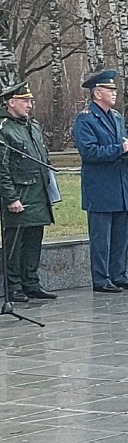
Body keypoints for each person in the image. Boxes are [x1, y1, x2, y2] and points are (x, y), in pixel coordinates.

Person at [72, 70, 128, 293]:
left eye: (114, 89)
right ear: (96, 93)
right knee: (101, 238)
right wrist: (119, 149)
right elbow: (89, 152)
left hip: (120, 184)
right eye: (109, 90)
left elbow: (120, 147)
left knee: (121, 236)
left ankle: (118, 274)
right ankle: (101, 279)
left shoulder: (116, 117)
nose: (114, 93)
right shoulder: (85, 118)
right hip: (100, 186)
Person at [0, 81, 57, 301]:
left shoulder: (32, 125)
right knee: (15, 244)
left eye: (30, 101)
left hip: (38, 193)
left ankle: (31, 282)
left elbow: (42, 157)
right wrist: (11, 197)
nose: (29, 105)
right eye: (25, 101)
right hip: (19, 195)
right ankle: (13, 287)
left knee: (34, 240)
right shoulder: (5, 128)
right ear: (11, 102)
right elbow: (2, 168)